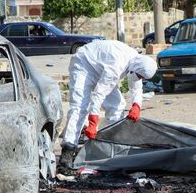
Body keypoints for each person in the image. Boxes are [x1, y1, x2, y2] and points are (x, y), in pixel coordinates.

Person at [59, 40, 157, 170]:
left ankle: (108, 144)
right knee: (79, 107)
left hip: (101, 68)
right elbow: (99, 94)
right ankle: (68, 149)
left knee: (117, 105)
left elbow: (136, 86)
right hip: (84, 64)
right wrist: (93, 122)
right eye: (139, 76)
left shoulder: (137, 62)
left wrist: (136, 105)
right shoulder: (118, 64)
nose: (139, 78)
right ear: (136, 69)